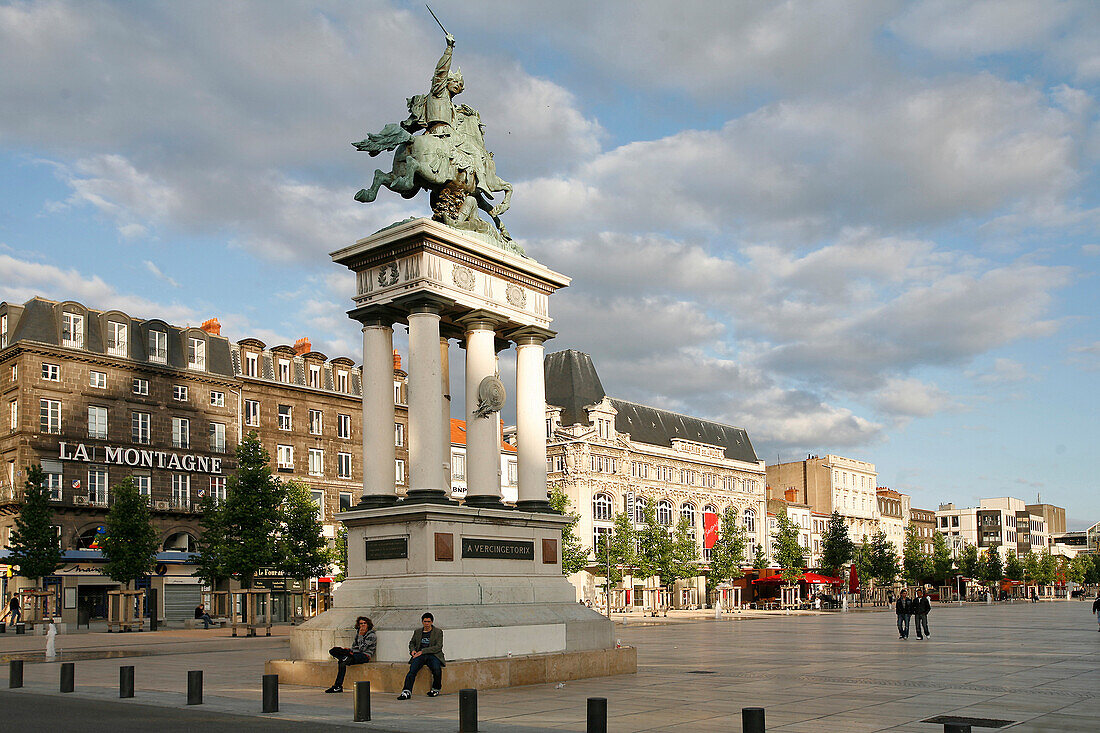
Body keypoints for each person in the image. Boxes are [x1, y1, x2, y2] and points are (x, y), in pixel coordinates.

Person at [398, 612, 445, 699]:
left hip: (433, 655)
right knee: (412, 670)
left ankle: (436, 688)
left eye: (429, 622)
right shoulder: (417, 632)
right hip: (419, 655)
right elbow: (412, 643)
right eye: (425, 621)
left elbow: (438, 647)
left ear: (432, 622)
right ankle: (406, 691)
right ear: (422, 622)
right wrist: (412, 651)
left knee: (436, 669)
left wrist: (423, 651)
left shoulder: (438, 632)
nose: (427, 624)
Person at [325, 616, 376, 693]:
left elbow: (362, 649)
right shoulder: (358, 634)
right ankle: (344, 658)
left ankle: (338, 686)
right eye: (361, 624)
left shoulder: (371, 636)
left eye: (364, 623)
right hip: (354, 654)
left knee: (342, 662)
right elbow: (354, 647)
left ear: (368, 624)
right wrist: (349, 650)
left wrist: (361, 635)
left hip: (364, 656)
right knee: (333, 651)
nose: (363, 625)